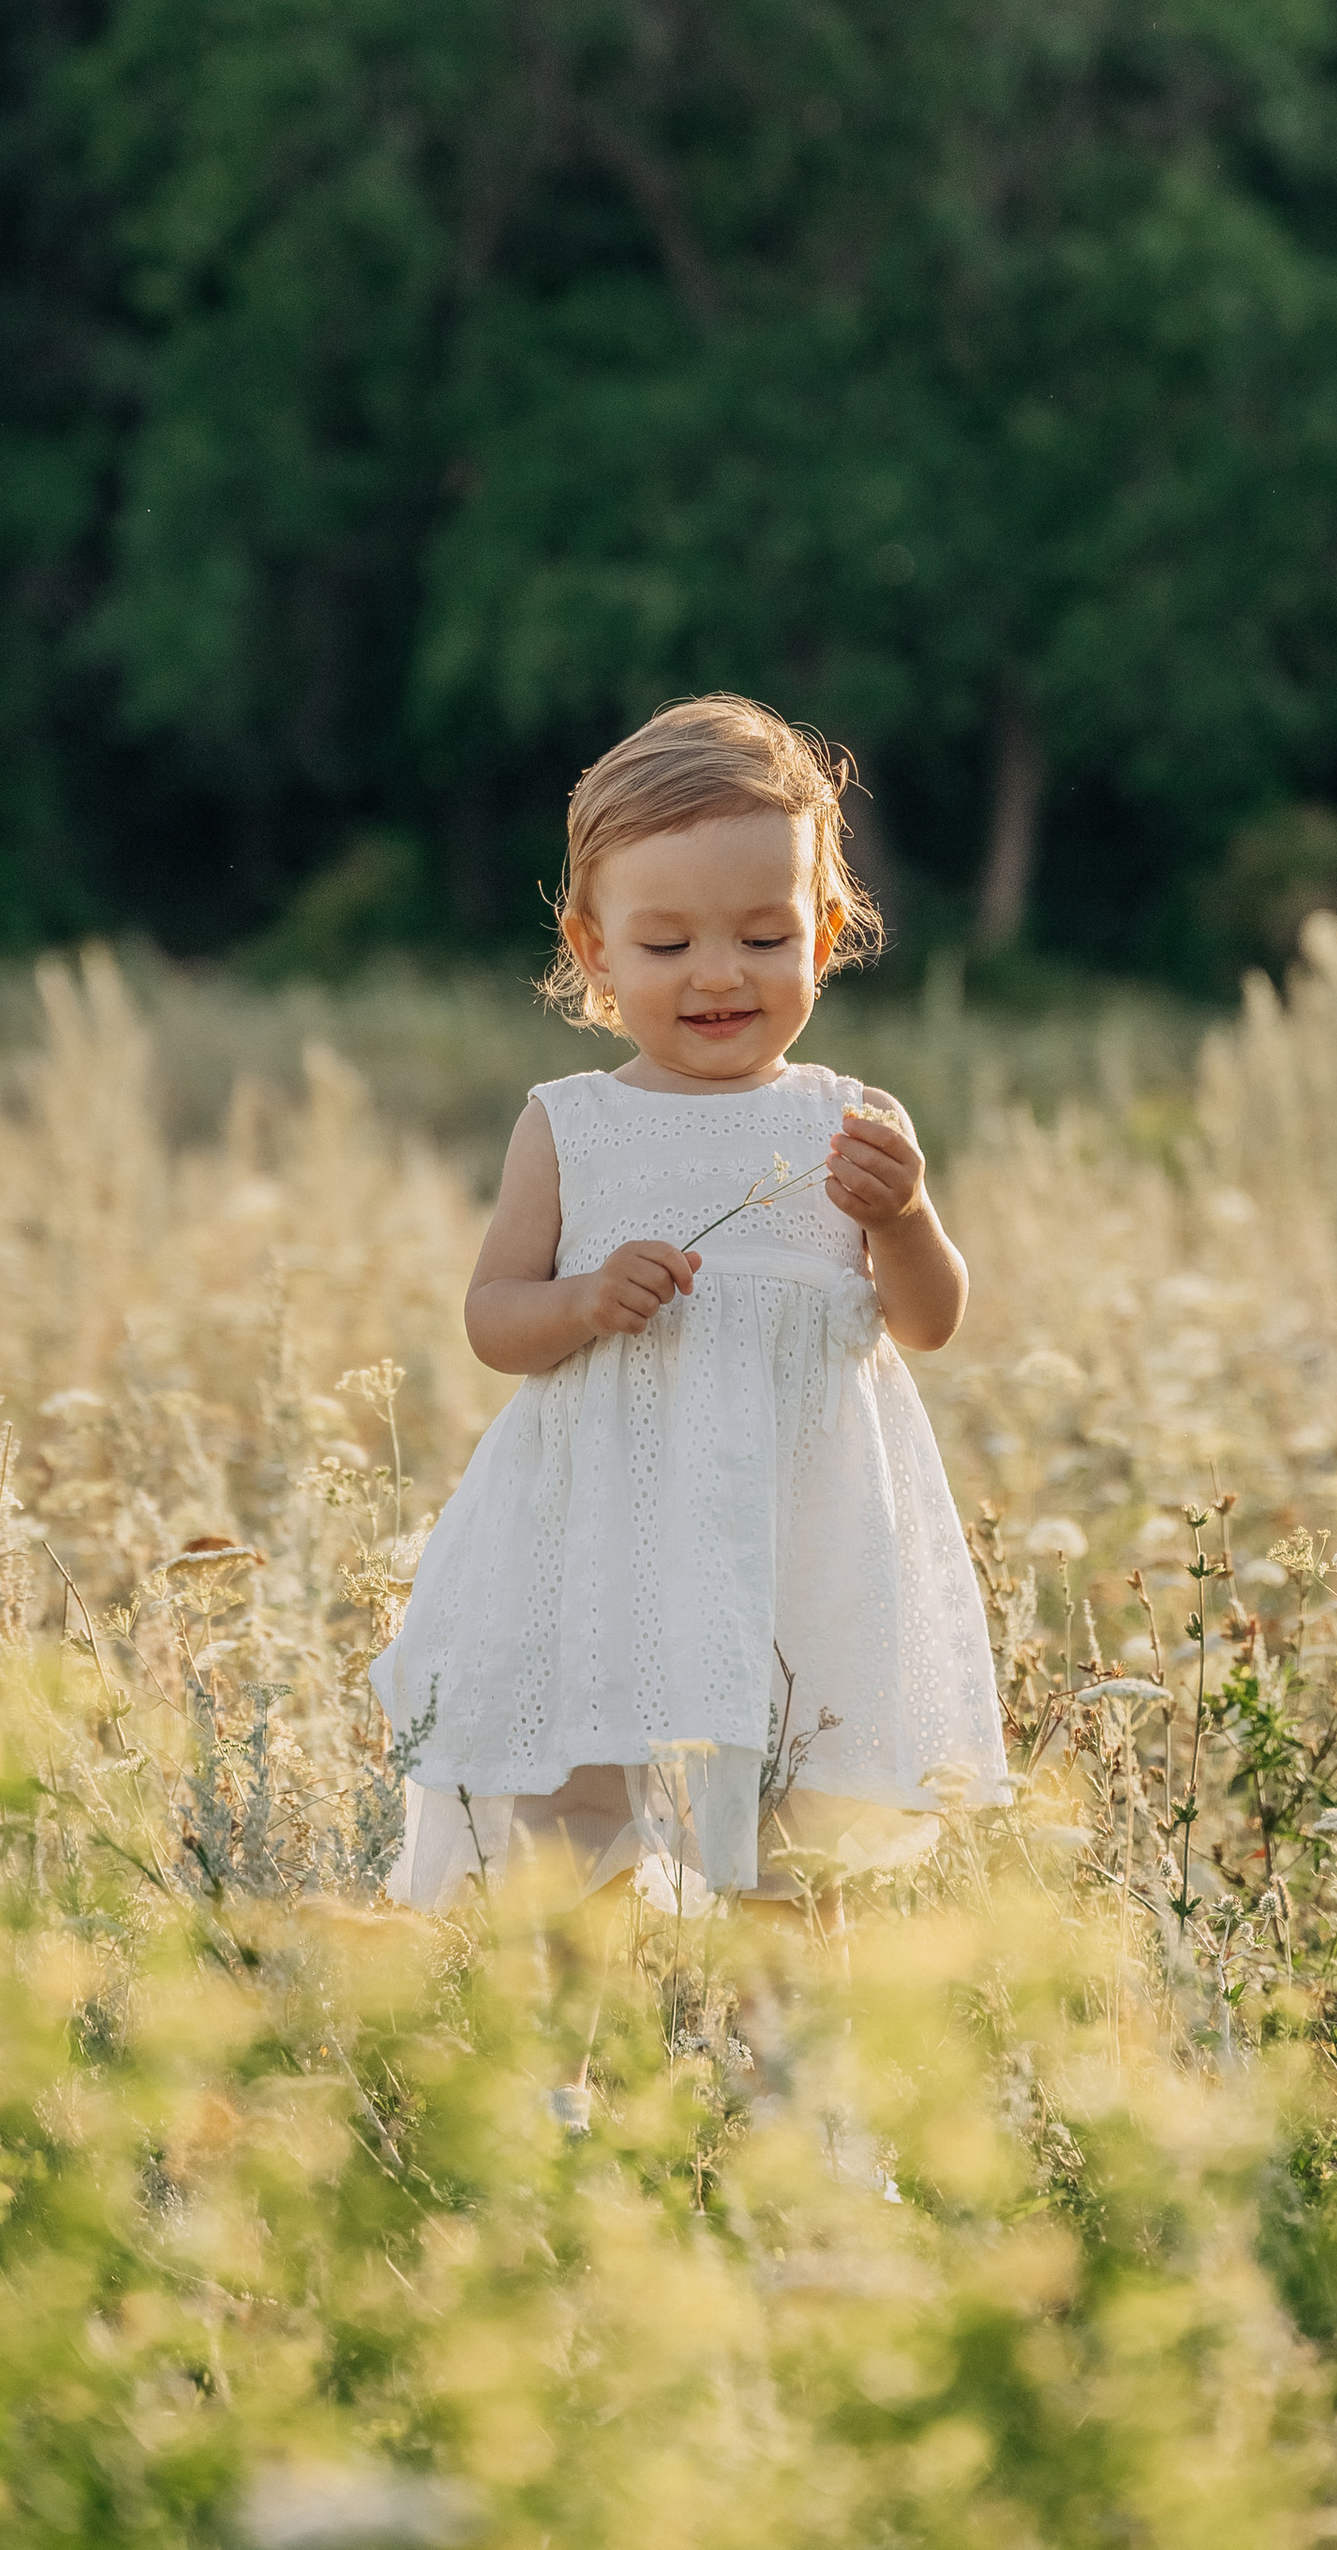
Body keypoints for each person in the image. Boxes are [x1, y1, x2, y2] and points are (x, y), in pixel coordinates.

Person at [375, 694, 1007, 1910]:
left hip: (797, 1546)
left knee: (794, 1824)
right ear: (594, 949)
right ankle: (569, 2021)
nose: (719, 975)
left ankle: (771, 2026)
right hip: (603, 1541)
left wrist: (904, 1217)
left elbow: (928, 1323)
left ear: (824, 933)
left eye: (764, 937)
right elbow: (493, 1318)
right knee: (576, 1812)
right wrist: (583, 1302)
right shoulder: (572, 1125)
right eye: (666, 946)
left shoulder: (849, 1123)